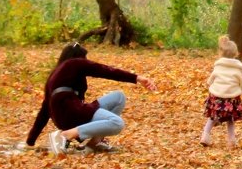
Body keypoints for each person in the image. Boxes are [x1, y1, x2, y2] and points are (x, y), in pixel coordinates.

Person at [25, 42, 156, 153]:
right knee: (117, 123)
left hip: (66, 114)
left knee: (119, 97)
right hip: (72, 111)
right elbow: (105, 70)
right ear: (78, 57)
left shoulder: (54, 76)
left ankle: (95, 143)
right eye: (85, 58)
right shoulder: (75, 63)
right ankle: (67, 135)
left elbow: (44, 111)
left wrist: (31, 140)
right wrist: (136, 78)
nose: (86, 61)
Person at [200, 35, 242, 148]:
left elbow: (210, 80)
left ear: (221, 53)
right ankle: (231, 141)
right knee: (230, 120)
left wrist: (210, 84)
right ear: (236, 54)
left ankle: (205, 136)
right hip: (231, 99)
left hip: (216, 96)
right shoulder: (237, 69)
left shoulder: (218, 67)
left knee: (212, 117)